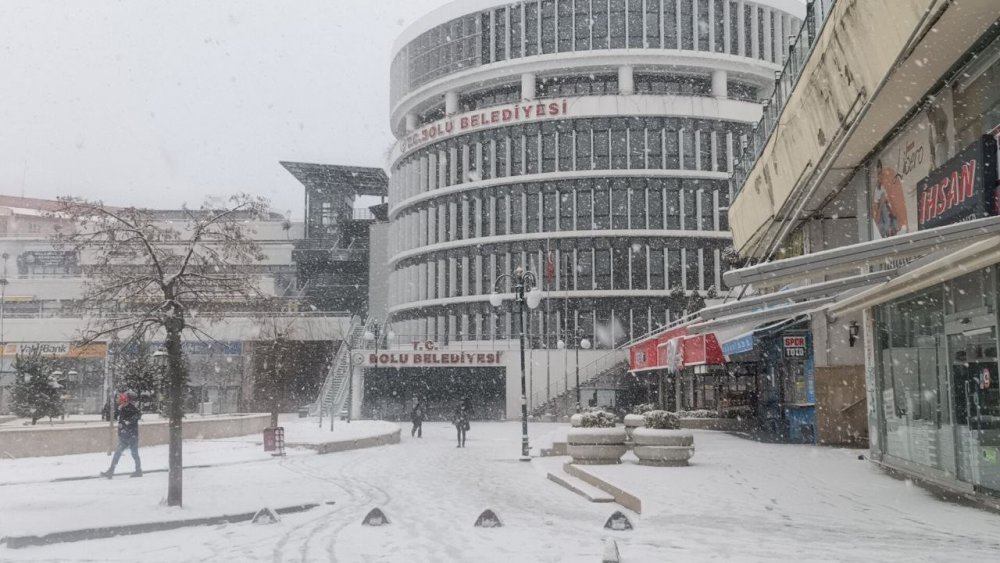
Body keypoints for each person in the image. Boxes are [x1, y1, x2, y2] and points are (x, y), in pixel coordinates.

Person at [101, 390, 142, 478]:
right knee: (117, 454)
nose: (121, 404)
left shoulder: (133, 409)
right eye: (121, 402)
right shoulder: (121, 408)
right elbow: (115, 418)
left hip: (132, 436)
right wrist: (117, 410)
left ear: (126, 401)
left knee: (134, 454)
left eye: (123, 402)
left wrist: (127, 422)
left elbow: (135, 418)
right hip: (124, 436)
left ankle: (138, 470)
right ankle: (111, 471)